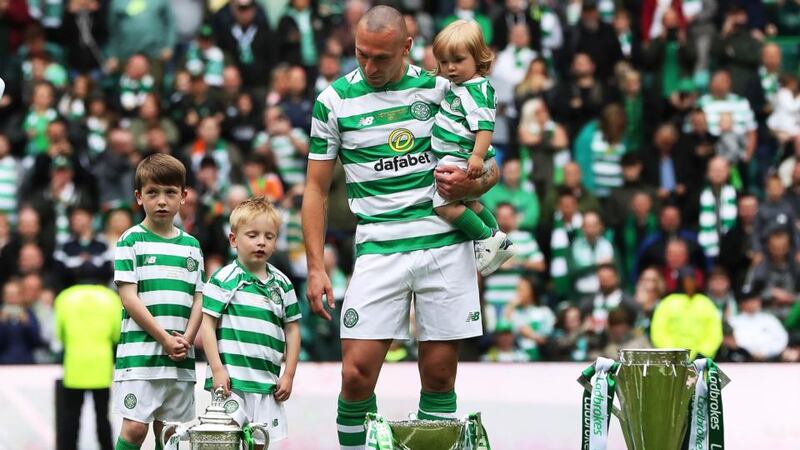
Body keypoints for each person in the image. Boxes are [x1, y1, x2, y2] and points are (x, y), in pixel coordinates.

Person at [303, 6, 498, 449]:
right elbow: (315, 190)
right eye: (361, 55)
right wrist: (315, 266)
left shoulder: (442, 89)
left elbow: (492, 167)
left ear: (408, 48)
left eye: (381, 58)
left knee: (439, 376)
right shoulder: (333, 101)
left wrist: (476, 178)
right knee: (355, 375)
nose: (369, 67)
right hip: (378, 247)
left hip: (444, 245)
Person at [112, 154, 205, 450]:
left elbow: (199, 296)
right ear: (139, 197)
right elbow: (128, 298)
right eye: (152, 193)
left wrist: (187, 338)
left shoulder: (192, 246)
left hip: (179, 356)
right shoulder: (130, 241)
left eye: (170, 192)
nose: (161, 201)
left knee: (169, 434)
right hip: (140, 357)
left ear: (183, 196)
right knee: (135, 429)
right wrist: (164, 338)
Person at [200, 197, 301, 447]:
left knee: (259, 444)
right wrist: (217, 369)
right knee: (227, 442)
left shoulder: (283, 284)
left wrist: (288, 374)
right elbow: (207, 326)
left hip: (267, 384)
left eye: (269, 236)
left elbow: (293, 329)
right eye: (253, 235)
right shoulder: (223, 279)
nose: (261, 242)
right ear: (234, 240)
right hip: (231, 383)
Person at [429, 19, 513, 276]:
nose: (450, 68)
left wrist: (477, 156)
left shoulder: (477, 90)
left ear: (478, 58)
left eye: (458, 60)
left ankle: (486, 239)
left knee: (444, 206)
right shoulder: (462, 85)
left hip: (464, 157)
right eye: (444, 62)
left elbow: (485, 127)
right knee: (470, 204)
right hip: (461, 156)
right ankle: (500, 239)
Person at [54, 284, 122, 450]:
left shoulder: (65, 296)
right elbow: (117, 334)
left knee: (70, 417)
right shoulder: (110, 297)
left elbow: (59, 333)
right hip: (101, 366)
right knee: (102, 417)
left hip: (74, 365)